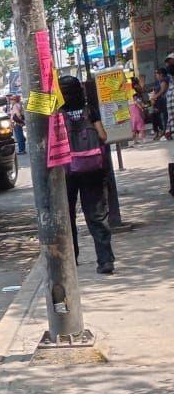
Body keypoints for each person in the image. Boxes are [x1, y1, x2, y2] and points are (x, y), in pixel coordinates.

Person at [58, 74, 115, 274]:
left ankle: (72, 261)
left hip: (66, 172)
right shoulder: (89, 110)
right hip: (92, 170)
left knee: (68, 216)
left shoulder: (57, 113)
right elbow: (102, 136)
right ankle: (105, 260)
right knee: (97, 215)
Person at [130, 76, 148, 143]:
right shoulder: (135, 94)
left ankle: (135, 141)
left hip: (132, 111)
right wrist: (142, 107)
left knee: (134, 127)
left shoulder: (131, 92)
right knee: (140, 126)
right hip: (137, 112)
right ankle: (143, 139)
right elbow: (137, 102)